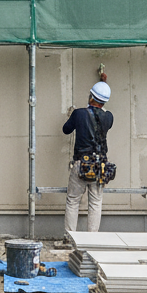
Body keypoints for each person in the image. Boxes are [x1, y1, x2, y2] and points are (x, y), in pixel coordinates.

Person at [63, 81, 114, 233]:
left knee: (73, 201)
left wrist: (72, 115)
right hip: (100, 166)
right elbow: (100, 116)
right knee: (96, 203)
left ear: (91, 96)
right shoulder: (109, 117)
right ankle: (92, 239)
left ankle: (70, 238)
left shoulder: (79, 114)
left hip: (82, 164)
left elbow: (66, 129)